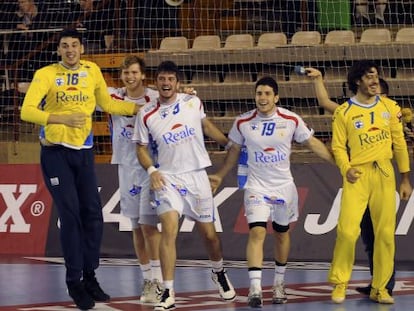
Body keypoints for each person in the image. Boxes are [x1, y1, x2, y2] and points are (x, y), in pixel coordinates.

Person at [20, 28, 139, 310]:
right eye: (65, 46)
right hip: (55, 154)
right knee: (71, 216)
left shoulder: (93, 70)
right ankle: (74, 282)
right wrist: (60, 118)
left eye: (75, 45)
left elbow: (106, 103)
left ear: (82, 48)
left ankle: (90, 276)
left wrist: (139, 109)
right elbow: (27, 110)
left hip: (84, 153)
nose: (70, 50)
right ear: (59, 50)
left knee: (93, 217)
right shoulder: (46, 74)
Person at [209, 76, 335, 308]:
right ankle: (255, 288)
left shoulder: (290, 119)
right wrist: (220, 174)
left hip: (284, 187)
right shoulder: (243, 122)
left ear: (276, 97)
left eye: (267, 94)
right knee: (257, 232)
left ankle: (278, 282)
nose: (262, 98)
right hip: (257, 186)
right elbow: (233, 151)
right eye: (259, 93)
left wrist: (339, 163)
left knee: (281, 233)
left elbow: (313, 143)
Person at [132, 60, 236, 311]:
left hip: (197, 176)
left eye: (170, 79)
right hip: (168, 178)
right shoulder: (146, 113)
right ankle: (168, 290)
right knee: (169, 228)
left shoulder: (192, 102)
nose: (166, 83)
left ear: (177, 83)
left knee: (209, 235)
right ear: (156, 83)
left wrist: (226, 143)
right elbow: (140, 148)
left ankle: (218, 271)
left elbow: (206, 125)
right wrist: (152, 170)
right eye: (161, 79)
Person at [326, 60, 412, 304]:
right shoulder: (344, 112)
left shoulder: (390, 107)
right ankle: (340, 283)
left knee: (385, 235)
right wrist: (346, 168)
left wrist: (405, 178)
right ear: (357, 81)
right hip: (358, 175)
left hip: (385, 173)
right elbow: (338, 147)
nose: (375, 81)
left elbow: (400, 144)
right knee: (347, 231)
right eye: (369, 77)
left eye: (376, 76)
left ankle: (381, 288)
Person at [305, 67, 396, 296]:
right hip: (359, 179)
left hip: (381, 178)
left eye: (383, 96)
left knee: (382, 235)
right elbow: (325, 102)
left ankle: (385, 285)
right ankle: (371, 283)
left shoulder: (390, 113)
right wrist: (318, 79)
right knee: (362, 234)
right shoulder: (350, 111)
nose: (379, 99)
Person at [106, 55, 163, 304]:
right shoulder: (112, 96)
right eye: (125, 73)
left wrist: (189, 92)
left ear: (142, 75)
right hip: (125, 168)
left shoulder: (153, 97)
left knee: (150, 226)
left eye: (134, 72)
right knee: (137, 228)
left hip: (150, 168)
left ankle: (159, 280)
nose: (130, 77)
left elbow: (177, 101)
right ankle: (147, 278)